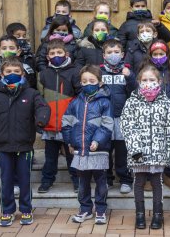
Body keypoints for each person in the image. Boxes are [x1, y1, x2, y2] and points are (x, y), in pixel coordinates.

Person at [0, 57, 50, 227]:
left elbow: (42, 107)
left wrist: (41, 119)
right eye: (8, 72)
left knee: (24, 181)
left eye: (16, 72)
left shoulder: (31, 93)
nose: (12, 74)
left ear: (22, 73)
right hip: (3, 147)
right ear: (2, 74)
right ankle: (7, 211)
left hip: (24, 146)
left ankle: (26, 209)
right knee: (5, 181)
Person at [120, 64, 170, 230]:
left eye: (152, 80)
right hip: (138, 152)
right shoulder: (132, 101)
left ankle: (157, 214)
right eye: (144, 80)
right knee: (139, 183)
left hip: (158, 152)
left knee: (157, 183)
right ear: (139, 81)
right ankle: (139, 214)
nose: (148, 83)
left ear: (159, 81)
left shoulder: (165, 102)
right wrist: (135, 152)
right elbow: (127, 128)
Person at [0, 35, 36, 198]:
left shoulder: (26, 68)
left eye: (11, 48)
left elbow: (31, 89)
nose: (8, 51)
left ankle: (16, 182)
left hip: (18, 114)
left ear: (18, 50)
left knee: (15, 152)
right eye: (4, 48)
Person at [62, 65, 113, 225]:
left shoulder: (105, 102)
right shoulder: (75, 102)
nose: (87, 83)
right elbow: (66, 123)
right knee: (82, 183)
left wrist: (97, 140)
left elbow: (107, 124)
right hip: (80, 150)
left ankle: (100, 210)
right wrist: (70, 141)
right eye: (84, 81)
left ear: (99, 82)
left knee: (101, 183)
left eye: (92, 80)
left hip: (98, 150)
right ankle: (85, 209)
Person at [36, 39, 81, 193]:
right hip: (50, 123)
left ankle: (77, 181)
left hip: (68, 122)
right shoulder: (43, 74)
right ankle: (47, 181)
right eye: (52, 53)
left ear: (66, 54)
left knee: (71, 155)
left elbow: (80, 95)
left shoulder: (75, 72)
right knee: (50, 157)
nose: (56, 55)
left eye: (59, 52)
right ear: (47, 57)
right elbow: (39, 98)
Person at [142, 40, 170, 190]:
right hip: (150, 116)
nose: (159, 56)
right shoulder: (145, 72)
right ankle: (149, 177)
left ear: (167, 55)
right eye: (155, 54)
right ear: (150, 55)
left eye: (162, 54)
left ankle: (169, 175)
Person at [100, 39, 137, 193]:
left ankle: (125, 180)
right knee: (105, 150)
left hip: (123, 118)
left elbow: (135, 92)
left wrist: (129, 78)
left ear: (122, 54)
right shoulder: (99, 72)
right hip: (105, 118)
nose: (113, 55)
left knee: (122, 151)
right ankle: (107, 179)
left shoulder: (127, 71)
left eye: (116, 52)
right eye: (109, 52)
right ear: (104, 55)